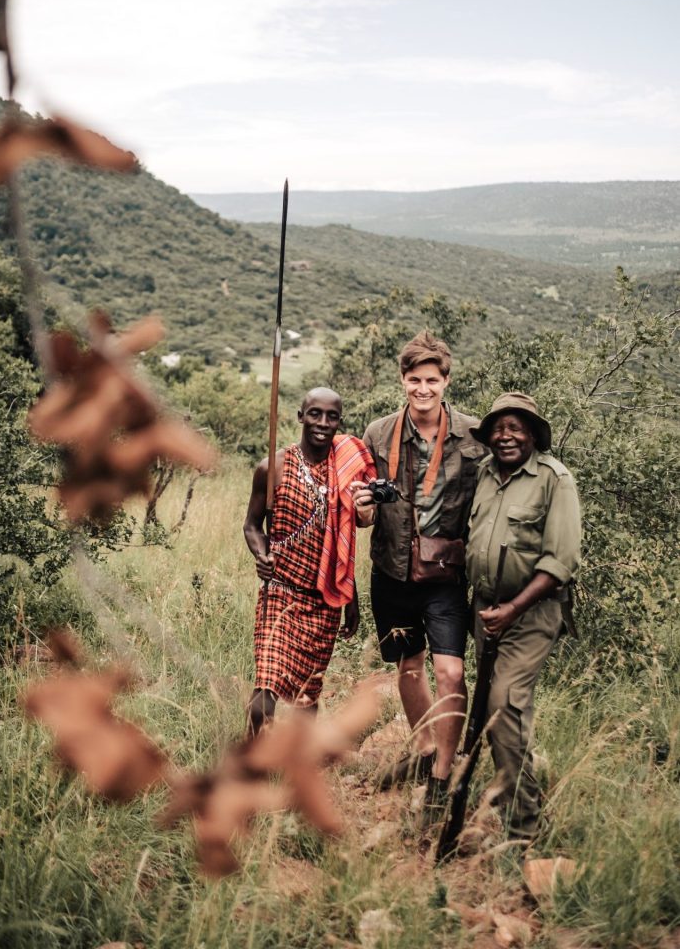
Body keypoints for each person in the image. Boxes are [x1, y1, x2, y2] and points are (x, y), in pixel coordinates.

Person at [351, 331, 485, 823]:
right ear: (402, 380)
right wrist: (362, 509)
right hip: (391, 570)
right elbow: (361, 511)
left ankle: (441, 778)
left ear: (446, 381)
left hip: (446, 576)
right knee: (408, 668)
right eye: (414, 380)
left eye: (431, 380)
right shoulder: (378, 433)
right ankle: (425, 749)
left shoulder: (474, 435)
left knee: (451, 672)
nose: (422, 389)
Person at [465, 391, 581, 846]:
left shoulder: (555, 479)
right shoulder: (485, 474)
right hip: (485, 610)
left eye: (516, 427)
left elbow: (560, 562)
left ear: (533, 434)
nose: (505, 435)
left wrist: (512, 610)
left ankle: (524, 832)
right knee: (493, 711)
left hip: (529, 612)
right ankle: (513, 796)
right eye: (498, 427)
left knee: (504, 704)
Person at [243, 387, 375, 734]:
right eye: (315, 414)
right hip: (281, 592)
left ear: (340, 422)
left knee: (307, 696)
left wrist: (352, 599)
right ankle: (251, 766)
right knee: (265, 690)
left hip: (324, 601)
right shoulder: (272, 468)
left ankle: (296, 770)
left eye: (332, 416)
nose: (323, 423)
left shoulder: (345, 474)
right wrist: (262, 554)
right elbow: (252, 526)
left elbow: (342, 543)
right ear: (301, 416)